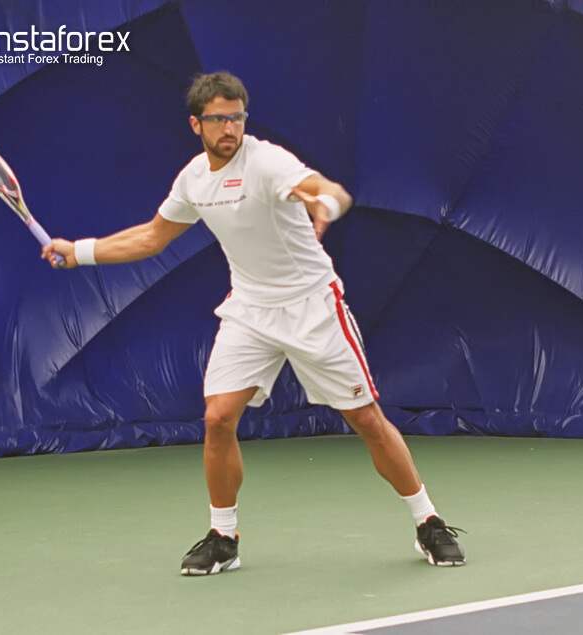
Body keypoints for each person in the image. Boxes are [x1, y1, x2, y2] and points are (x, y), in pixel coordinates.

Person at [42, 71, 465, 575]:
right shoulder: (193, 179)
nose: (230, 128)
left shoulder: (266, 162)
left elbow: (326, 190)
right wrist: (80, 252)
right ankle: (224, 536)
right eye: (219, 119)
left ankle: (427, 521)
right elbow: (153, 236)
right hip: (249, 309)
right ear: (196, 124)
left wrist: (326, 203)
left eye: (237, 117)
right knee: (218, 418)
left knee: (367, 419)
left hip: (312, 306)